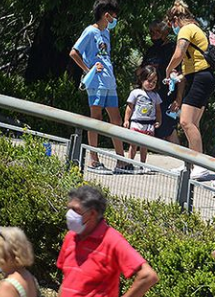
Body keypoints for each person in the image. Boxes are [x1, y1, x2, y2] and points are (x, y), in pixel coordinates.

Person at [69, 0, 127, 174]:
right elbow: (74, 52)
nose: (115, 19)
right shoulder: (90, 31)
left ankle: (121, 161)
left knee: (116, 120)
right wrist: (88, 70)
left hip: (109, 81)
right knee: (96, 119)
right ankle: (93, 161)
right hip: (96, 83)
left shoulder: (106, 32)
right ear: (106, 15)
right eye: (113, 16)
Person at [163, 0, 215, 155]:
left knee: (185, 121)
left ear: (175, 20)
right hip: (203, 76)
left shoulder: (185, 29)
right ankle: (192, 164)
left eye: (171, 24)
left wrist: (168, 70)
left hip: (201, 77)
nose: (172, 28)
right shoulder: (195, 28)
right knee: (193, 123)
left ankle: (198, 165)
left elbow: (179, 54)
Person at [141, 21, 180, 144]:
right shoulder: (151, 50)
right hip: (150, 97)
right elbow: (141, 71)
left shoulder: (173, 49)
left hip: (167, 97)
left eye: (157, 32)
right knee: (154, 132)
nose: (154, 36)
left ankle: (180, 160)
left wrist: (178, 99)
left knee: (168, 131)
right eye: (151, 33)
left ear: (165, 33)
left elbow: (180, 76)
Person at [123, 64, 163, 164]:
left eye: (154, 82)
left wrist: (158, 120)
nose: (151, 84)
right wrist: (126, 120)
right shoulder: (135, 93)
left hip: (149, 124)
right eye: (149, 81)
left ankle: (142, 164)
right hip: (136, 122)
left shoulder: (155, 95)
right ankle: (129, 163)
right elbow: (129, 107)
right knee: (133, 144)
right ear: (142, 80)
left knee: (144, 146)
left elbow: (158, 109)